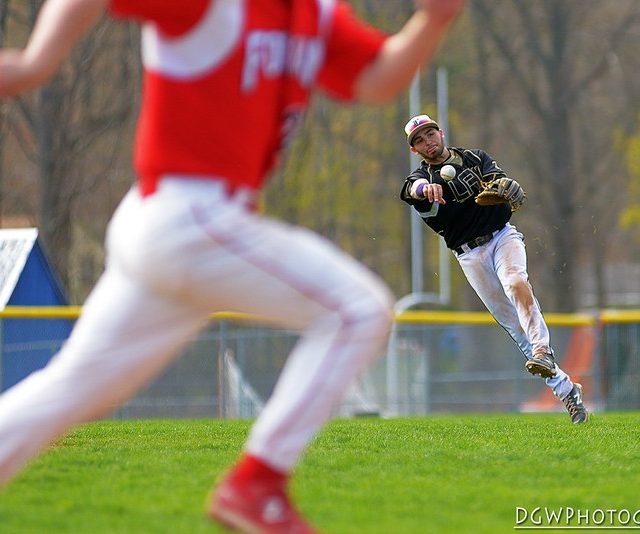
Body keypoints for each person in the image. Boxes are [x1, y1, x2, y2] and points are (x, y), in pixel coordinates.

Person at [0, 1, 465, 532]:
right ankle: (257, 483)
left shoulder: (313, 14)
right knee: (358, 310)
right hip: (191, 216)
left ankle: (257, 483)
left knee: (70, 388)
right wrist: (39, 60)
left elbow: (377, 78)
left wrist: (432, 21)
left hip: (180, 229)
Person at [400, 114, 588, 425]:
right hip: (469, 255)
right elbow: (411, 190)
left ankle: (542, 350)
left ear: (441, 132)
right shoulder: (420, 180)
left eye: (430, 133)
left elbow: (499, 180)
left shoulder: (475, 157)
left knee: (516, 282)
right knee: (514, 328)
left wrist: (502, 185)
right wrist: (424, 190)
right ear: (414, 150)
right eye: (419, 140)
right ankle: (568, 391)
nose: (427, 142)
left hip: (502, 236)